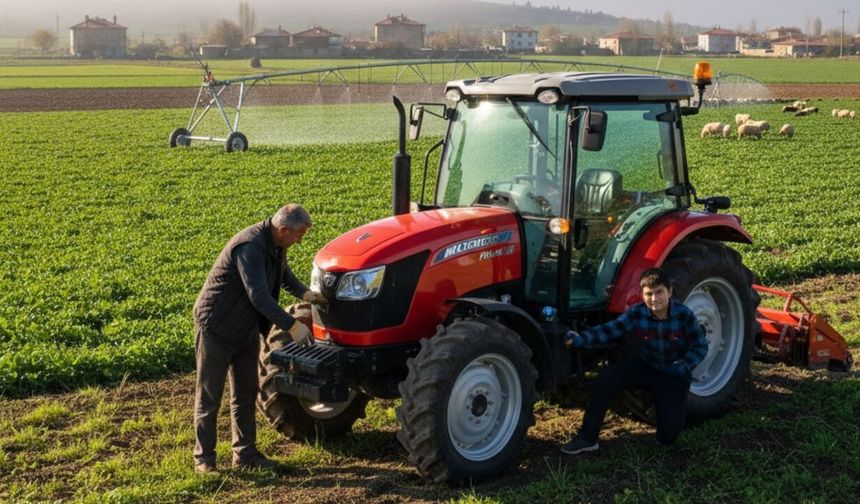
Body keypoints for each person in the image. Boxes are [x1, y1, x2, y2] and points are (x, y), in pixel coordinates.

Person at [192, 204, 328, 473]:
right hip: (217, 327)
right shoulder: (250, 247)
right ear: (283, 229)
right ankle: (204, 459)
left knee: (246, 391)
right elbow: (259, 295)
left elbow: (283, 275)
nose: (300, 240)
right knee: (210, 396)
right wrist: (291, 326)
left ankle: (245, 455)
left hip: (246, 328)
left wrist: (305, 294)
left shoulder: (277, 244)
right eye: (299, 234)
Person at [561, 267, 708, 455]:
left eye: (659, 292)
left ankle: (667, 422)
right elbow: (610, 329)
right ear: (642, 295)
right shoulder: (637, 313)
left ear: (669, 291)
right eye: (649, 294)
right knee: (606, 377)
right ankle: (587, 438)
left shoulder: (684, 315)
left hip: (673, 372)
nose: (654, 299)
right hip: (647, 365)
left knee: (669, 435)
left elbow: (700, 346)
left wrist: (682, 366)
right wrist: (581, 338)